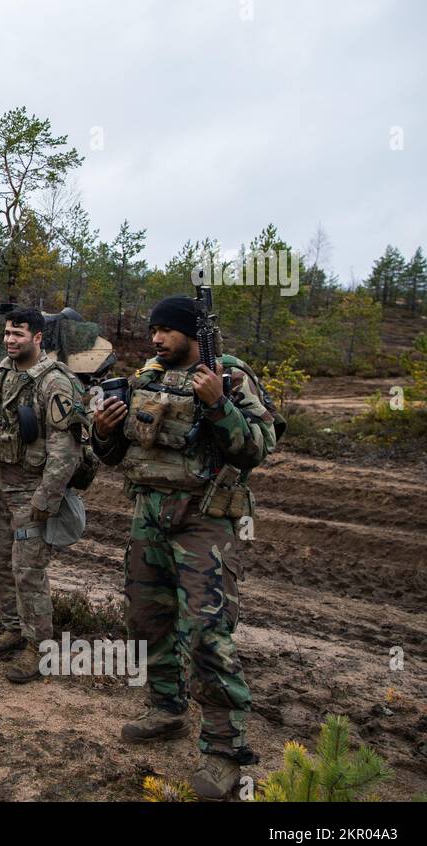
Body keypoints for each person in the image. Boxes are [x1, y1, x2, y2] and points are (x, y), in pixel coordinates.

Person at [92, 295, 278, 800]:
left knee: (206, 634)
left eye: (166, 331)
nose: (155, 339)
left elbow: (256, 449)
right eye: (153, 330)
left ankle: (224, 751)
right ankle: (166, 707)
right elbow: (117, 454)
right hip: (149, 515)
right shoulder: (146, 377)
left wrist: (218, 404)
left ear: (193, 334)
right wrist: (103, 432)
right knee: (147, 619)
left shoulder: (232, 377)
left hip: (208, 521)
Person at [0, 308, 85, 684]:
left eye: (19, 334)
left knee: (28, 572)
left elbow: (65, 449)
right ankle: (13, 629)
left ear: (38, 338)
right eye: (8, 333)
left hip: (30, 493)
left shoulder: (54, 382)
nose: (11, 340)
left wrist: (46, 498)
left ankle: (38, 647)